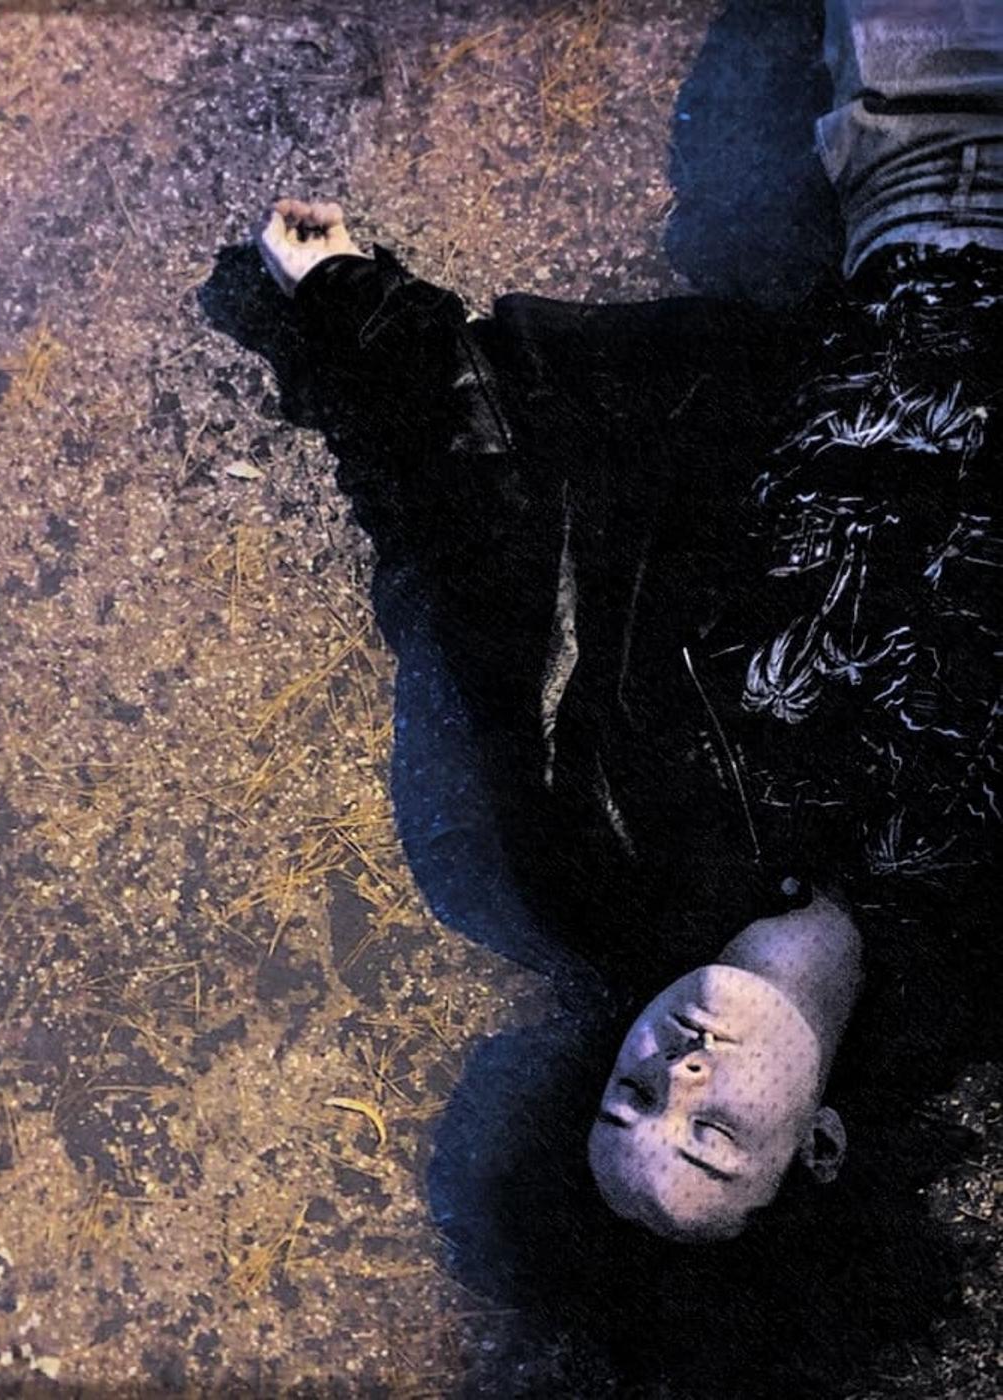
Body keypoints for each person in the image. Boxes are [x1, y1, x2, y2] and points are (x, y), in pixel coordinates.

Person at [253, 0, 1001, 1248]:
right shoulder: (974, 967)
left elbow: (496, 553)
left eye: (630, 1095)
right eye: (712, 1132)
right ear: (815, 1143)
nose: (680, 1069)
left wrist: (357, 310)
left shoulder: (605, 833)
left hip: (941, 184)